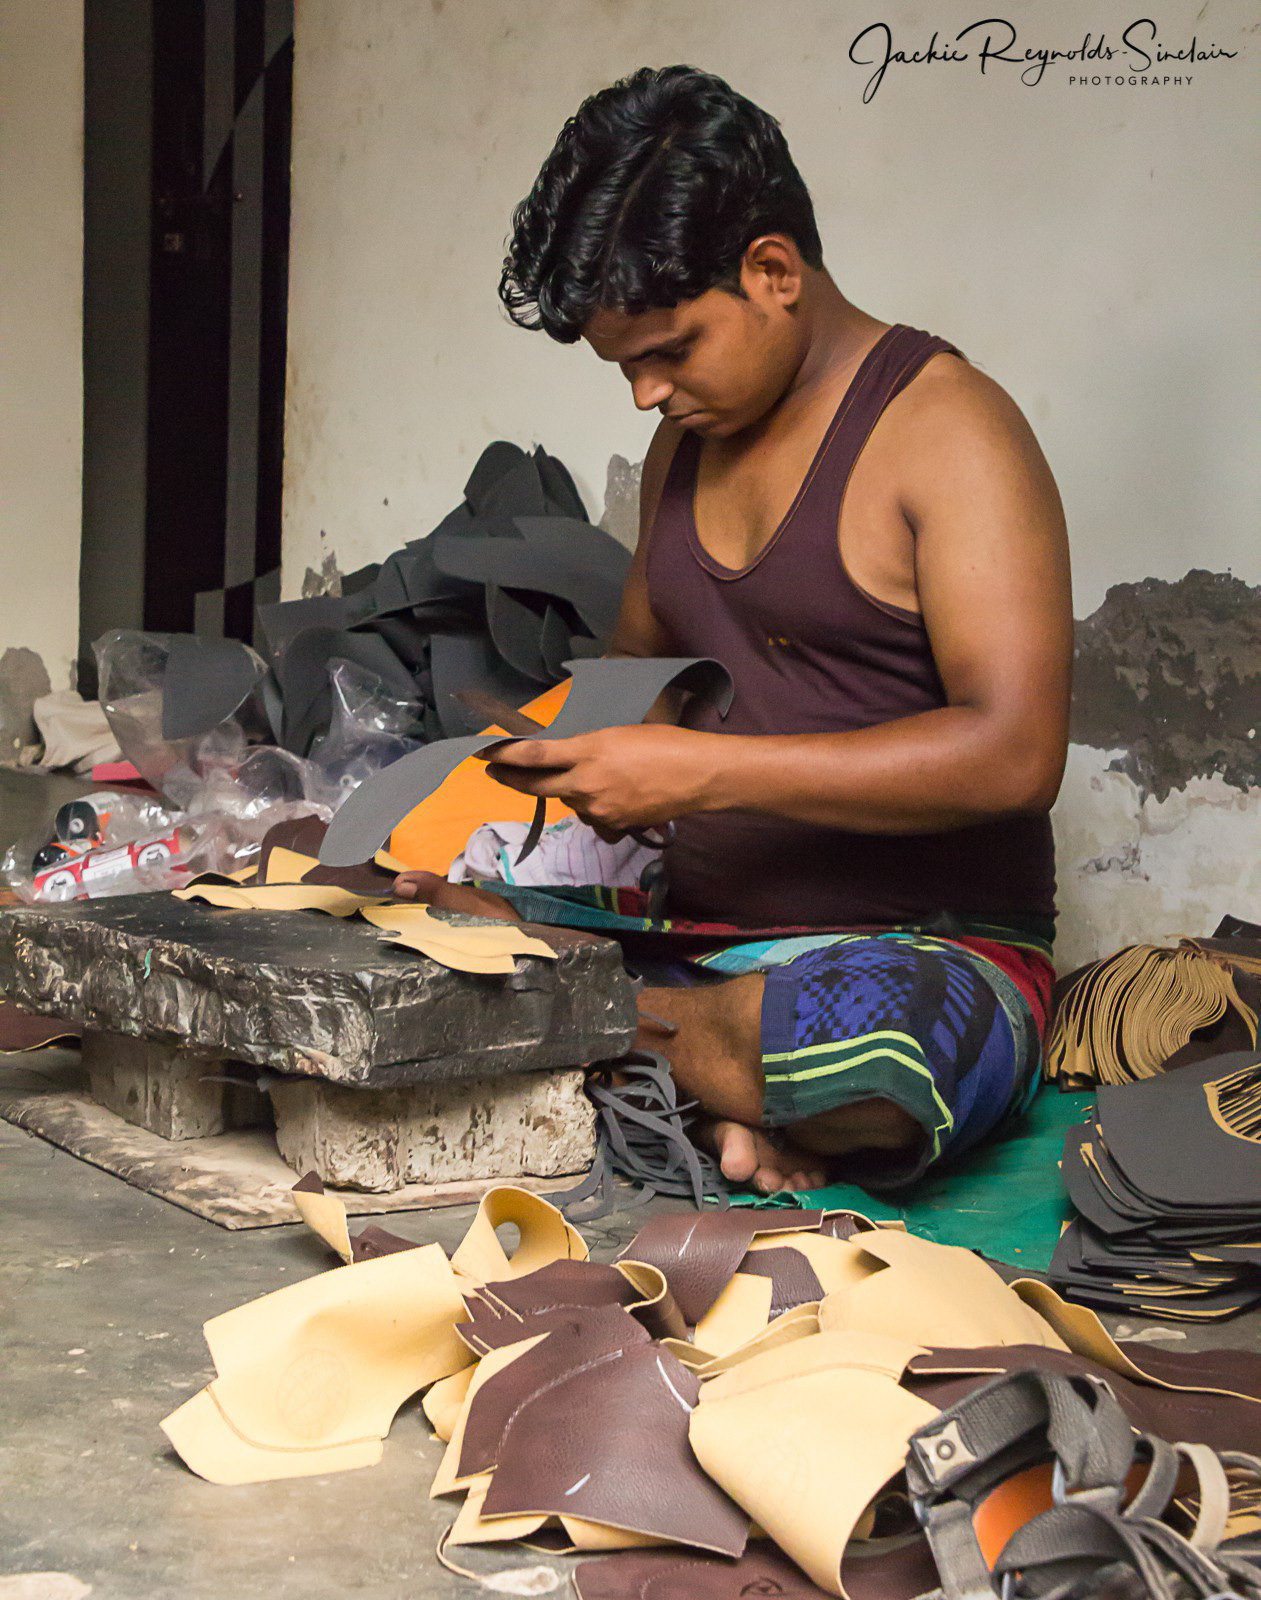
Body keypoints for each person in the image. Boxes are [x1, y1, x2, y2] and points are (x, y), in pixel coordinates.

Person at [397, 65, 1073, 1196]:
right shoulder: (686, 444)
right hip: (695, 940)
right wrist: (556, 760)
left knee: (878, 1054)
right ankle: (696, 1058)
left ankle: (616, 1031)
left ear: (773, 272)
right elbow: (643, 678)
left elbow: (1015, 754)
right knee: (413, 914)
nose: (644, 395)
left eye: (669, 351)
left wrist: (698, 772)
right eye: (624, 367)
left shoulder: (951, 430)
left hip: (913, 950)